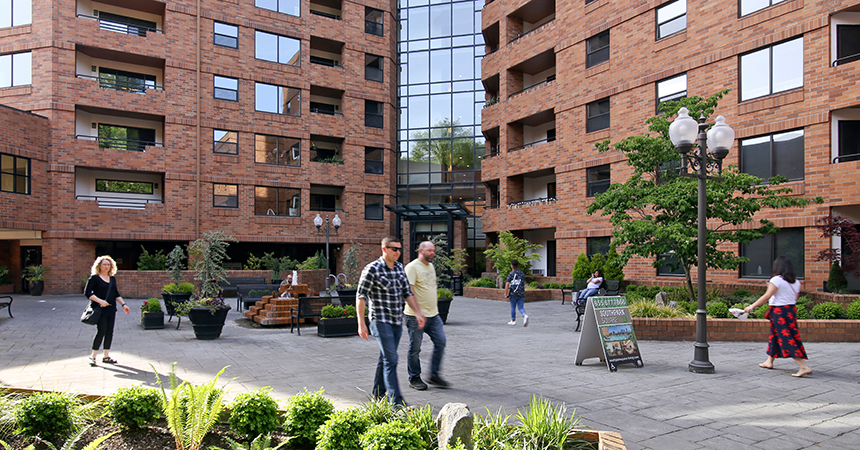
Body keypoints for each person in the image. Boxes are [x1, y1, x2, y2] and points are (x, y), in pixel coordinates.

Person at [357, 236, 426, 405]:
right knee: (392, 359)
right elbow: (361, 296)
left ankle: (377, 394)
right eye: (394, 249)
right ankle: (397, 402)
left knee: (385, 358)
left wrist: (417, 312)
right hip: (379, 320)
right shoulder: (372, 269)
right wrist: (361, 323)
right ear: (384, 249)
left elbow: (407, 293)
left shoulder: (399, 268)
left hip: (396, 321)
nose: (398, 252)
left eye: (399, 249)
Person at [744, 256, 812, 378]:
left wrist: (751, 306)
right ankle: (769, 361)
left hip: (779, 312)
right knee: (776, 335)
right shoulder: (796, 282)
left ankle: (803, 366)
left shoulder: (776, 280)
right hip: (790, 311)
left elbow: (767, 296)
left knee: (786, 337)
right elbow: (794, 298)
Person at [404, 241, 449, 391]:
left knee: (441, 342)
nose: (432, 253)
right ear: (421, 250)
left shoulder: (430, 266)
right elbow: (408, 292)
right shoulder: (411, 267)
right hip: (415, 316)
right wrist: (418, 312)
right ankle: (414, 377)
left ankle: (434, 375)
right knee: (415, 348)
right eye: (429, 250)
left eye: (433, 250)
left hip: (433, 315)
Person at [84, 255, 129, 366]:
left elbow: (116, 294)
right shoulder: (94, 278)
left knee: (109, 332)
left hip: (111, 309)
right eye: (104, 264)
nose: (106, 266)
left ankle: (106, 356)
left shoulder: (112, 279)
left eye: (108, 264)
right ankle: (93, 356)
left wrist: (124, 304)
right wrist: (100, 301)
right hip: (100, 309)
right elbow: (87, 293)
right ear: (99, 266)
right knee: (102, 331)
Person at [505, 260, 528, 326]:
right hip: (521, 293)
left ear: (512, 266)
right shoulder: (522, 273)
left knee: (513, 306)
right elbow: (524, 282)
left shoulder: (511, 274)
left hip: (513, 293)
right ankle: (524, 315)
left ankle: (513, 320)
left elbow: (507, 284)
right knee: (521, 307)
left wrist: (506, 293)